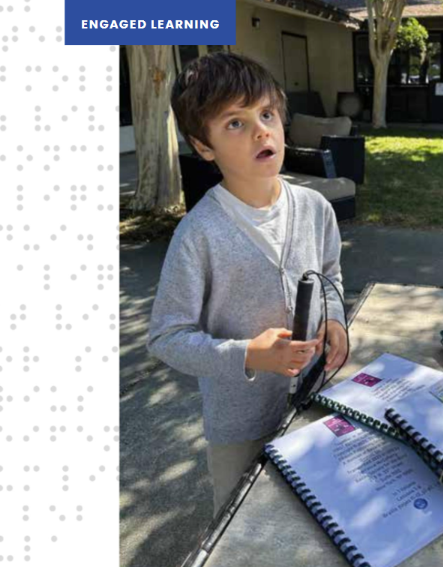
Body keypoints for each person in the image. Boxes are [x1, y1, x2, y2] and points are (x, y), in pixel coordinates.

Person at [147, 52, 349, 515]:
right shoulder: (198, 234)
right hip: (239, 425)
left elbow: (331, 275)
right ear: (203, 145)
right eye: (235, 123)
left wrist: (335, 320)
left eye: (266, 114)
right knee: (240, 524)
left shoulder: (315, 208)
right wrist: (249, 355)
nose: (261, 130)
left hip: (312, 402)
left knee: (309, 514)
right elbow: (167, 337)